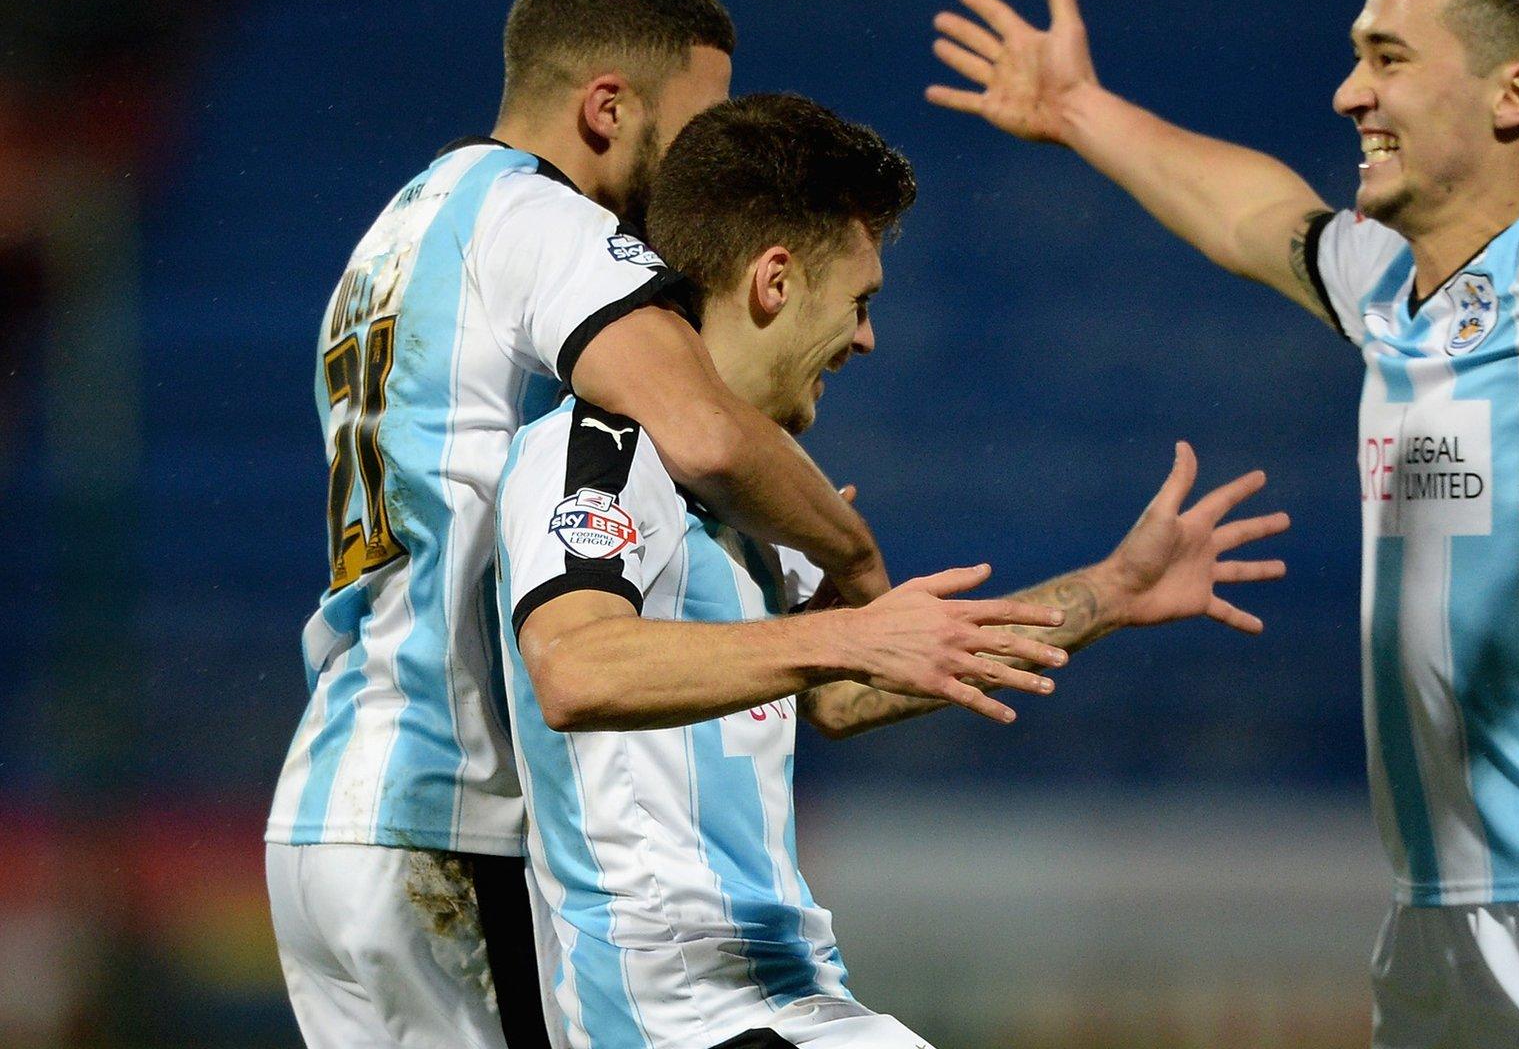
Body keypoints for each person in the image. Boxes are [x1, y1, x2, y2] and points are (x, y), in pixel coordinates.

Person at [927, 0, 1519, 1048]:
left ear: (1511, 95)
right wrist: (1077, 109)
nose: (1347, 95)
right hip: (1434, 913)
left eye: (1387, 60)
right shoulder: (1388, 284)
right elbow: (1251, 213)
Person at [265, 0, 1016, 1049]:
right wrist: (853, 568)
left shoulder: (392, 236)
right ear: (607, 107)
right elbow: (708, 432)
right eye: (690, 122)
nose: (690, 167)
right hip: (448, 797)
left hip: (333, 801)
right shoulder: (543, 222)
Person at [495, 92, 1290, 1049]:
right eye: (859, 301)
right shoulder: (596, 446)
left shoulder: (766, 501)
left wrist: (1109, 591)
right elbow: (575, 669)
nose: (868, 338)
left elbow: (838, 696)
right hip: (676, 1019)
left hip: (784, 1000)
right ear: (775, 282)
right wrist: (843, 631)